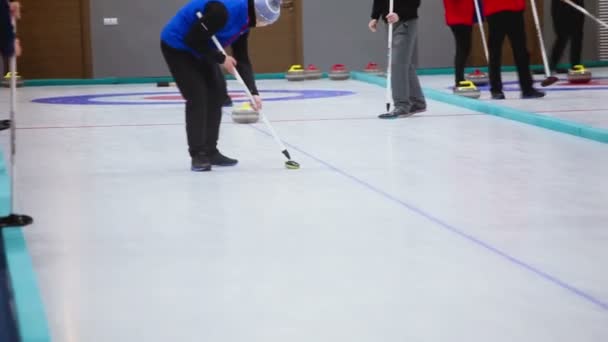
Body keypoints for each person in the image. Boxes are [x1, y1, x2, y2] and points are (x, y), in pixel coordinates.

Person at [160, 0, 280, 171]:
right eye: (265, 22)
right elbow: (192, 39)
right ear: (258, 14)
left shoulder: (245, 22)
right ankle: (198, 155)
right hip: (178, 46)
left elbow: (242, 59)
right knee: (198, 96)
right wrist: (222, 59)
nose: (264, 25)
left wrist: (253, 92)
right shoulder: (222, 12)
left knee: (217, 93)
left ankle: (210, 150)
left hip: (203, 47)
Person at [369, 0, 426, 119]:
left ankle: (402, 105)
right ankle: (417, 102)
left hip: (405, 22)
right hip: (389, 23)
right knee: (404, 62)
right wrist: (375, 16)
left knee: (397, 63)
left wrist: (399, 14)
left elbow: (415, 2)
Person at [483, 0, 545, 99]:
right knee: (495, 52)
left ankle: (527, 88)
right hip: (495, 9)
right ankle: (496, 90)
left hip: (514, 9)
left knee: (521, 51)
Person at [443, 0, 483, 88]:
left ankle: (460, 79)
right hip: (459, 17)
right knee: (462, 49)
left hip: (464, 16)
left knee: (465, 48)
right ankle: (459, 80)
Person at [549, 0, 585, 74]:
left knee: (577, 35)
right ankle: (552, 66)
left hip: (576, 4)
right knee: (562, 36)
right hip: (560, 5)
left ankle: (576, 66)